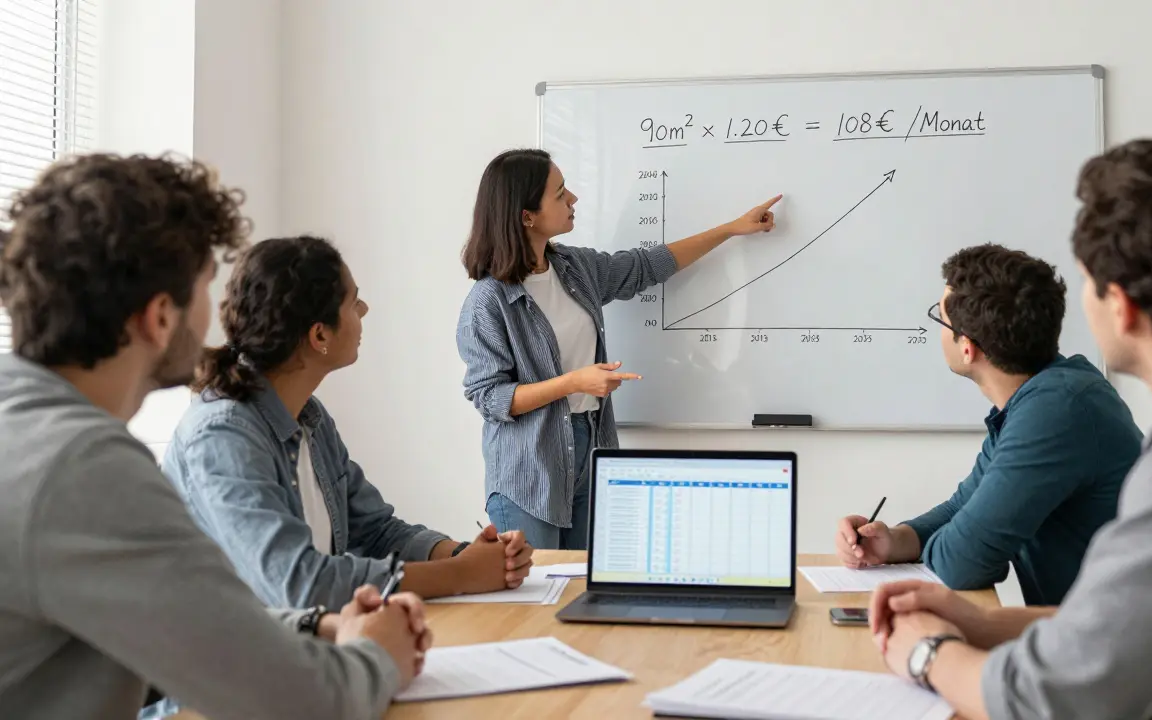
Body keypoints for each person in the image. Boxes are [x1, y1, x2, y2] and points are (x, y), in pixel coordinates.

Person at [0, 153, 428, 719]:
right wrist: (378, 653)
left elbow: (172, 621)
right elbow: (302, 702)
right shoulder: (85, 468)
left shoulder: (28, 433)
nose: (219, 315)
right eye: (206, 286)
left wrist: (315, 626)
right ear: (160, 317)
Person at [870, 137, 1152, 720]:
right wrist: (978, 622)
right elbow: (1128, 625)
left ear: (1121, 305)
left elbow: (1052, 699)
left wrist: (927, 653)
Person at [162, 235, 533, 611]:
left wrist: (467, 555)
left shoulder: (310, 416)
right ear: (320, 334)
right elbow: (301, 583)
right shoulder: (223, 436)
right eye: (354, 301)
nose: (365, 309)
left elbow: (375, 531)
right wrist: (461, 575)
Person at [457, 148, 781, 549]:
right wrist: (574, 383)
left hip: (591, 449)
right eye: (560, 194)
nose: (573, 198)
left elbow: (647, 266)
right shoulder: (487, 301)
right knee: (535, 586)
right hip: (529, 471)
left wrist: (731, 229)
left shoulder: (574, 268)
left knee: (583, 581)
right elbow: (490, 398)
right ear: (527, 217)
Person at [835, 243, 1142, 605]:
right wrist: (895, 541)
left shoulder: (1057, 410)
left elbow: (963, 562)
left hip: (1110, 635)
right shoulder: (1044, 396)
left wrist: (951, 544)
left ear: (967, 348)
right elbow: (962, 507)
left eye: (939, 318)